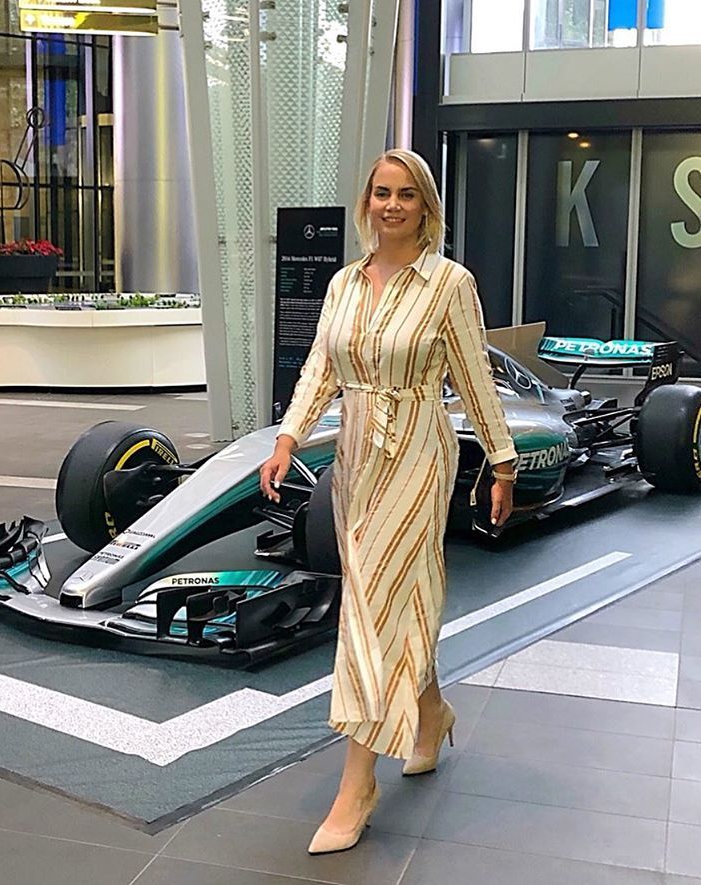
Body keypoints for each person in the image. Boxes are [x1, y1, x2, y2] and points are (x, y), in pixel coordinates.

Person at [259, 148, 517, 855]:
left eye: (406, 194)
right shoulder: (344, 283)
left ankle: (357, 782)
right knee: (389, 599)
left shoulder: (449, 284)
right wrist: (287, 439)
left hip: (418, 455)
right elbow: (320, 366)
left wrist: (502, 462)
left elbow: (474, 376)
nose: (392, 205)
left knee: (372, 608)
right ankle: (430, 713)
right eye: (382, 193)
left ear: (426, 206)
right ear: (366, 202)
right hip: (356, 461)